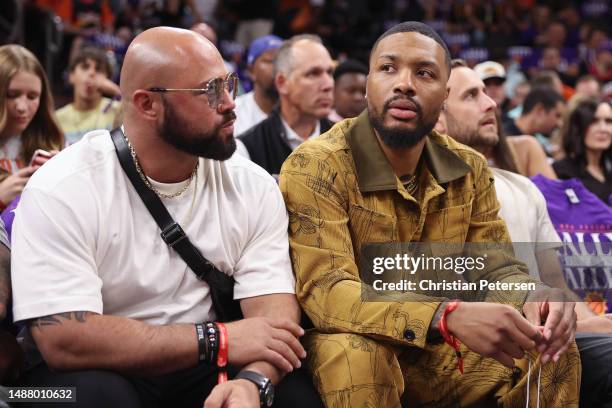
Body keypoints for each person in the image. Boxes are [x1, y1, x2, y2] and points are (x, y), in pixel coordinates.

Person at [11, 27, 322, 408]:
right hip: (76, 376)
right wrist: (218, 338)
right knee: (95, 398)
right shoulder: (63, 186)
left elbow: (272, 324)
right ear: (147, 104)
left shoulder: (251, 184)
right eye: (210, 90)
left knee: (295, 396)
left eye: (228, 84)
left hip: (203, 366)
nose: (230, 103)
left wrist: (253, 383)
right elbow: (63, 342)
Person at [280, 21, 579, 407]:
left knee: (550, 348)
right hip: (352, 339)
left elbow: (497, 269)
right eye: (388, 69)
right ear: (368, 82)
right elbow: (327, 293)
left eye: (424, 73)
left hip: (441, 348)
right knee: (359, 356)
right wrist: (446, 315)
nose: (404, 83)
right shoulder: (316, 164)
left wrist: (535, 296)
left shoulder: (469, 167)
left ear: (443, 97)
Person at [437, 60, 612, 407]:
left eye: (487, 93)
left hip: (552, 335)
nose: (491, 104)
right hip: (494, 346)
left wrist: (597, 320)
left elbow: (558, 285)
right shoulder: (432, 192)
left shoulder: (524, 187)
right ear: (437, 117)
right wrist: (585, 328)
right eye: (472, 96)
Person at [236, 34, 334, 176]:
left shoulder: (347, 142)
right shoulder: (248, 147)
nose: (328, 85)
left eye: (330, 72)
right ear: (282, 83)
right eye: (313, 73)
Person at [0, 45, 63, 212]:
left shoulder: (53, 144)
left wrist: (67, 174)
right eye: (12, 95)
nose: (22, 107)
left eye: (32, 96)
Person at [55, 46, 121, 145]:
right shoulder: (57, 118)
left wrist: (118, 92)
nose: (91, 73)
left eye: (98, 70)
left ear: (108, 79)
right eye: (85, 67)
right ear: (71, 76)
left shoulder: (118, 109)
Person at [553, 99, 612, 204]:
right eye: (594, 121)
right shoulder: (562, 172)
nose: (603, 129)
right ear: (579, 127)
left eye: (608, 121)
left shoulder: (609, 170)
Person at [233, 35, 283, 135]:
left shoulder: (301, 110)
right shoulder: (234, 112)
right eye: (270, 61)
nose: (279, 67)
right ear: (251, 71)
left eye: (283, 61)